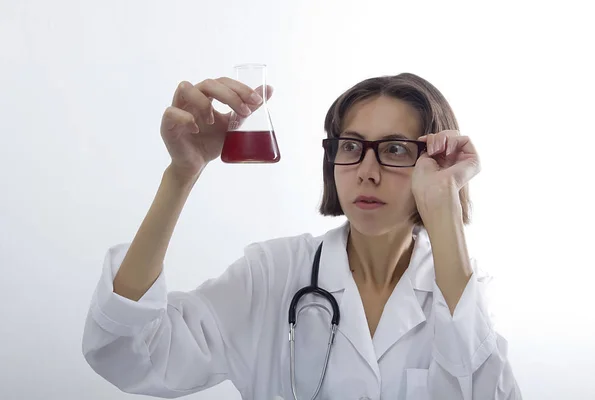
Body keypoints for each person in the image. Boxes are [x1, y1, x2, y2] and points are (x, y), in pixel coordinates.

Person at [82, 72, 521, 399]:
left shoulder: (463, 291)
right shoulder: (272, 276)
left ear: (435, 161)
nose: (367, 172)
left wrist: (443, 206)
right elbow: (128, 351)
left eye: (394, 149)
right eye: (351, 146)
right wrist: (181, 175)